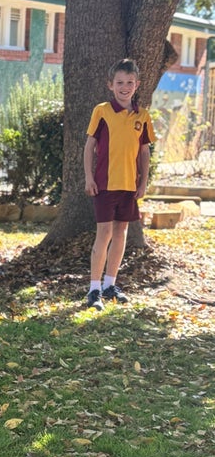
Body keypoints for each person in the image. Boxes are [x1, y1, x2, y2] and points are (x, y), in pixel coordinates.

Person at [83, 58, 156, 311]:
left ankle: (110, 285)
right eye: (120, 82)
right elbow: (90, 145)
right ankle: (93, 290)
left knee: (121, 233)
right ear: (110, 85)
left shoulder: (142, 116)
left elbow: (144, 152)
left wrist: (143, 182)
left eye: (129, 82)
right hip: (104, 184)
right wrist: (89, 177)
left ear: (137, 85)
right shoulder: (101, 111)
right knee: (103, 234)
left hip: (129, 186)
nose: (124, 87)